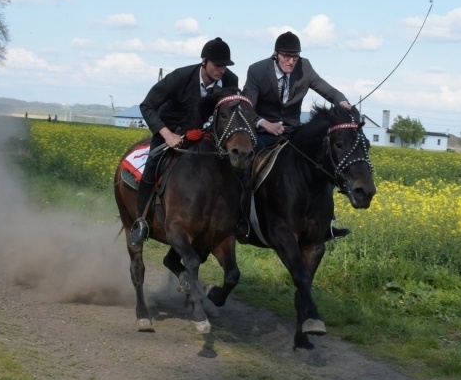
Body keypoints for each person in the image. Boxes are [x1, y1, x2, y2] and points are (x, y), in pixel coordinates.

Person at [128, 37, 239, 248]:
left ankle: (234, 220)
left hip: (206, 136)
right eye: (217, 65)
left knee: (234, 168)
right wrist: (168, 135)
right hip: (171, 130)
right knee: (152, 165)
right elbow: (147, 106)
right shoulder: (180, 77)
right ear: (204, 61)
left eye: (225, 65)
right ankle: (141, 221)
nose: (222, 70)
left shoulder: (230, 80)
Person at [241, 31, 352, 240]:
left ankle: (326, 221)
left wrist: (343, 102)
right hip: (263, 132)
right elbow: (247, 108)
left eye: (295, 57)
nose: (291, 62)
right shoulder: (256, 70)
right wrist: (265, 123)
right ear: (276, 54)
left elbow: (328, 91)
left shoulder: (305, 67)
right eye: (286, 57)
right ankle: (242, 218)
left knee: (324, 162)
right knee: (245, 164)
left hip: (293, 133)